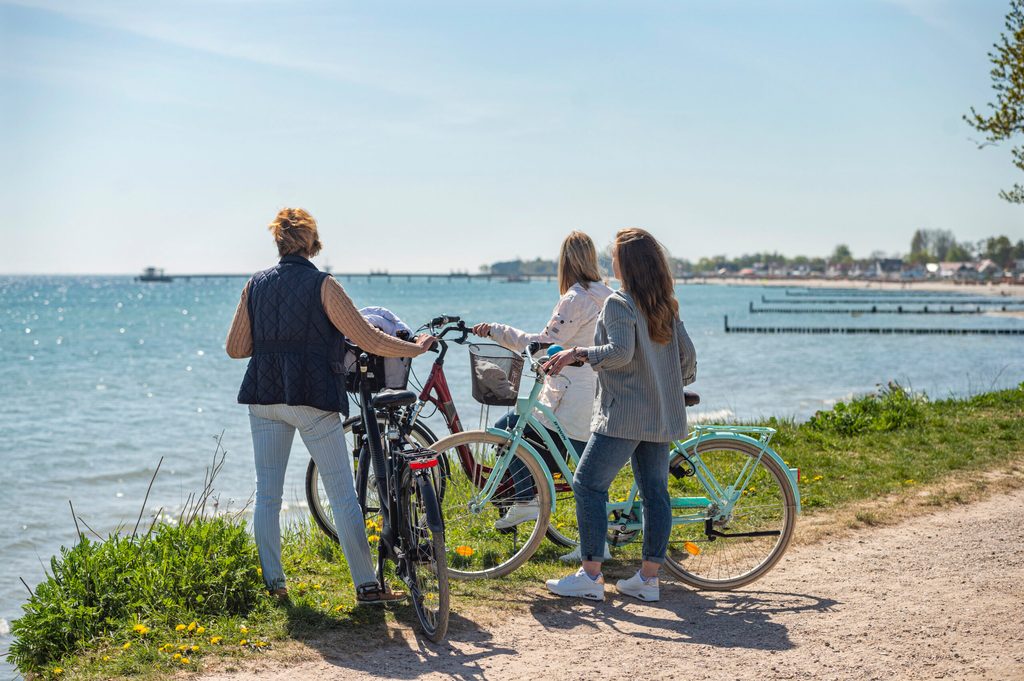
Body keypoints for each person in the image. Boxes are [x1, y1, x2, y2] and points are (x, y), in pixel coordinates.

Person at [225, 208, 435, 603]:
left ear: (279, 242)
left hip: (264, 398)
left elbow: (236, 348)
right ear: (312, 242)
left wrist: (274, 341)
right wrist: (415, 349)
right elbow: (369, 338)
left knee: (267, 495)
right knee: (341, 493)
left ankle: (275, 585)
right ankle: (367, 586)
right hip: (312, 396)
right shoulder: (323, 285)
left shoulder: (255, 285)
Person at [542, 227, 697, 603]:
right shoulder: (664, 304)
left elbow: (620, 353)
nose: (609, 261)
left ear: (625, 263)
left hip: (624, 414)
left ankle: (591, 575)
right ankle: (647, 579)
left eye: (613, 256)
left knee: (587, 484)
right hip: (659, 414)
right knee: (654, 493)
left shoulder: (619, 303)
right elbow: (687, 360)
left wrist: (577, 353)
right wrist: (664, 379)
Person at [471, 231, 612, 548]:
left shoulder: (575, 298)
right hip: (596, 393)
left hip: (569, 397)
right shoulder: (606, 295)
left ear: (565, 262)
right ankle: (533, 499)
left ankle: (528, 500)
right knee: (580, 471)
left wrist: (496, 331)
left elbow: (542, 344)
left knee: (507, 431)